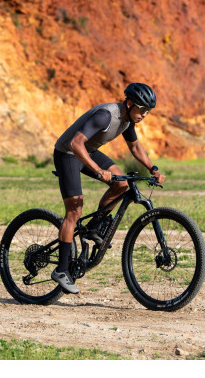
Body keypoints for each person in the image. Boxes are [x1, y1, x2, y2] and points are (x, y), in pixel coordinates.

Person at [51, 82, 166, 294]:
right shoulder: (105, 116)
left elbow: (135, 147)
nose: (144, 114)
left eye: (148, 111)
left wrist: (153, 169)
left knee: (121, 184)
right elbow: (76, 143)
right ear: (129, 104)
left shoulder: (128, 120)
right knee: (74, 211)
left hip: (88, 151)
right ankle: (61, 270)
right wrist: (98, 170)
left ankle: (94, 228)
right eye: (142, 109)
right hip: (67, 153)